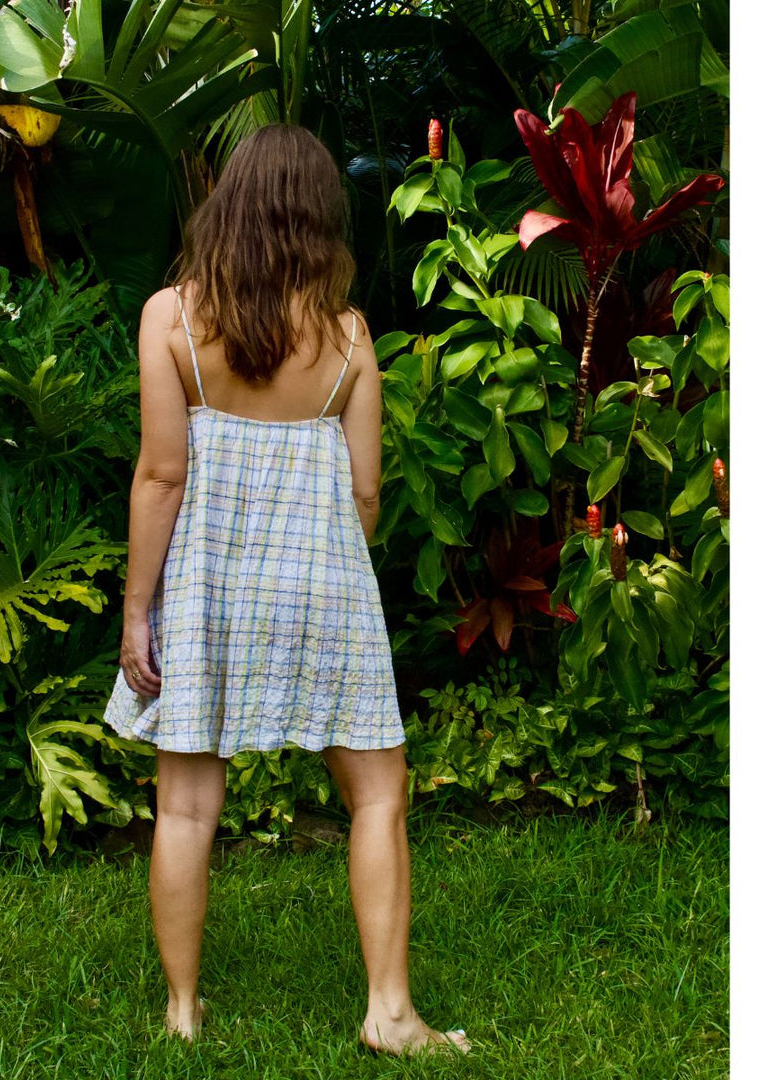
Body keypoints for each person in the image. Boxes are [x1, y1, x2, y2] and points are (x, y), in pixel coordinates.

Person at [102, 124, 470, 1057]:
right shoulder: (349, 338)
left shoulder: (170, 320)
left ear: (227, 204)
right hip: (324, 587)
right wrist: (328, 557)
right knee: (378, 792)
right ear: (321, 222)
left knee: (187, 803)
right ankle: (390, 1012)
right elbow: (365, 492)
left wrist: (138, 609)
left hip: (205, 585)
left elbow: (160, 476)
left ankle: (183, 1014)